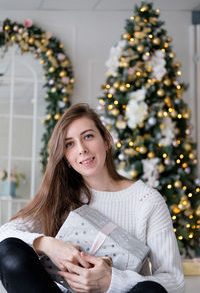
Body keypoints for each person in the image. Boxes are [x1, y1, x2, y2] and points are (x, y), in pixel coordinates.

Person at [0, 103, 185, 293]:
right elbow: (4, 234)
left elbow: (175, 281)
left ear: (106, 141)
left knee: (151, 290)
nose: (82, 149)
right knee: (8, 250)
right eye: (69, 144)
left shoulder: (147, 201)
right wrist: (49, 245)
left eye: (88, 136)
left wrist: (111, 280)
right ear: (65, 157)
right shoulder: (60, 195)